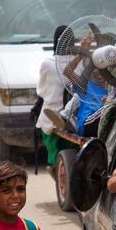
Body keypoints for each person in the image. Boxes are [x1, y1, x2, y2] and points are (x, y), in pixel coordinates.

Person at [35, 25, 75, 173]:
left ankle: (53, 167)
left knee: (53, 155)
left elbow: (41, 90)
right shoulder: (81, 61)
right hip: (75, 119)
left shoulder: (47, 64)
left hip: (50, 117)